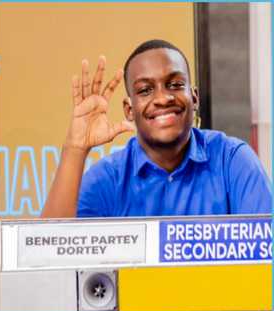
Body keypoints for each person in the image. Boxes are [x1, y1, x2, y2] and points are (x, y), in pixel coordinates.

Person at [42, 39, 272, 218]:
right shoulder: (107, 180)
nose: (163, 98)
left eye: (175, 85)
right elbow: (46, 259)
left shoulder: (232, 161)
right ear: (129, 110)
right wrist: (75, 148)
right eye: (145, 90)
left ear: (194, 98)